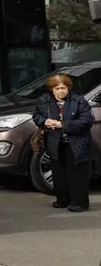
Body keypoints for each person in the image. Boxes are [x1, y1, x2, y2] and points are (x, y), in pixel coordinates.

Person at [31, 74, 94, 212]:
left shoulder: (79, 101)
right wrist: (44, 121)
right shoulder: (44, 100)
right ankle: (62, 200)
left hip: (76, 142)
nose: (61, 91)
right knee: (59, 172)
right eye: (57, 88)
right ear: (52, 89)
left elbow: (87, 121)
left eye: (63, 88)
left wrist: (62, 124)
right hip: (55, 141)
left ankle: (79, 203)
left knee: (77, 174)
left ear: (68, 88)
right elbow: (36, 116)